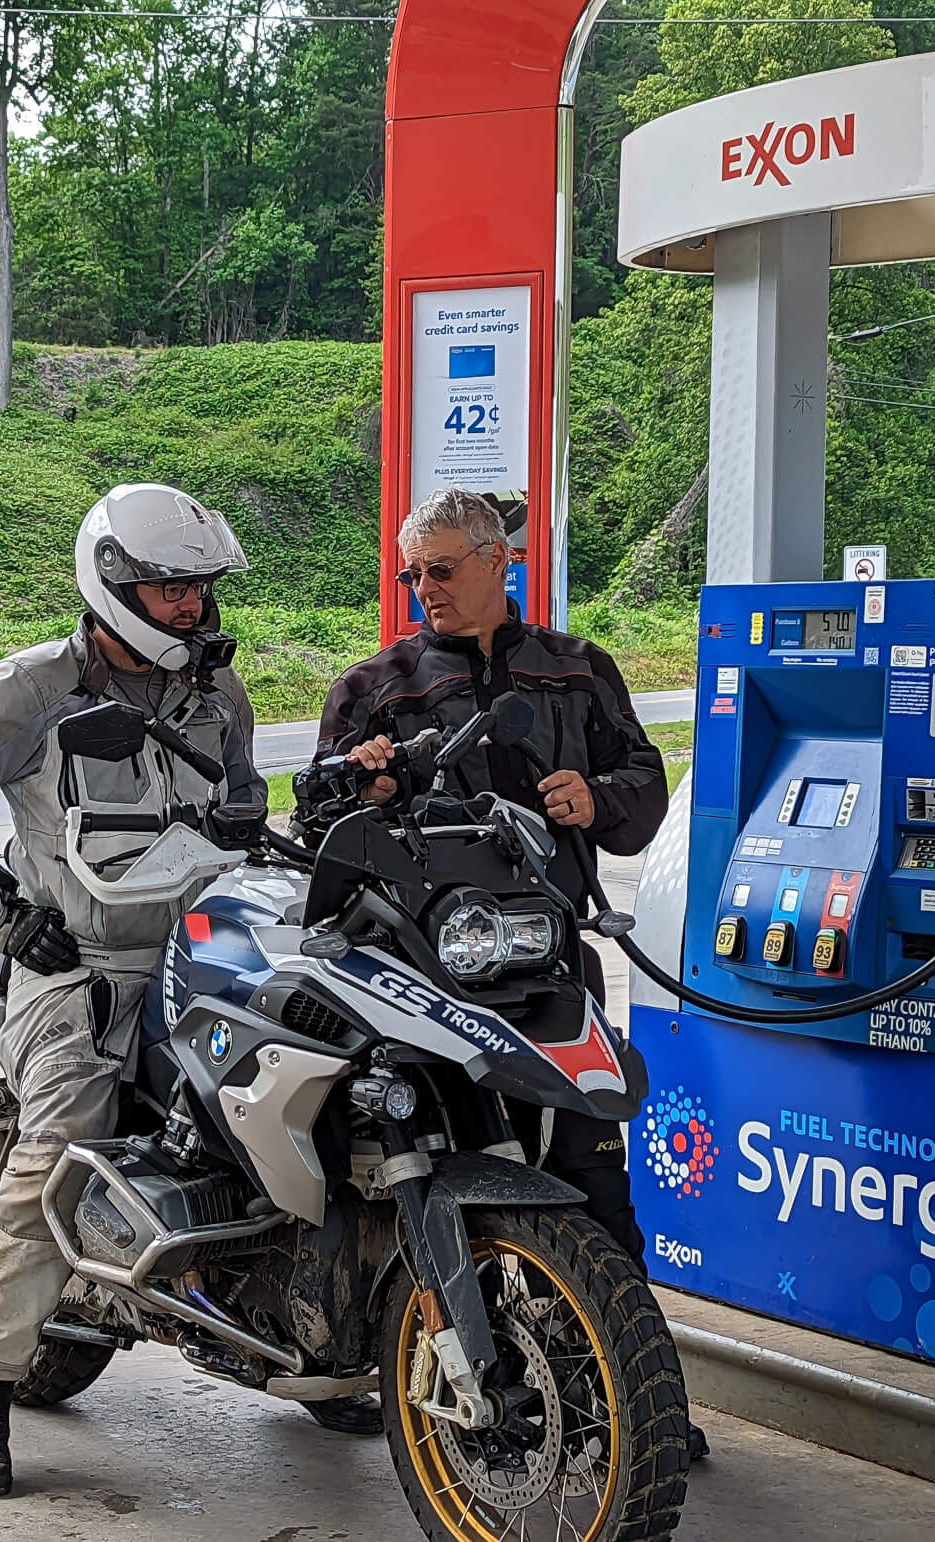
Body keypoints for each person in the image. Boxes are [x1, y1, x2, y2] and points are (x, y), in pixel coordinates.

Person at [0, 482, 338, 1501]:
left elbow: (239, 811)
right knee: (59, 1153)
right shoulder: (33, 686)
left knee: (315, 1104)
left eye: (197, 587)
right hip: (76, 965)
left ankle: (316, 1343)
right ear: (114, 584)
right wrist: (2, 916)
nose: (189, 605)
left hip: (211, 949)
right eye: (168, 588)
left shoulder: (216, 695)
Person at [297, 486, 707, 1462]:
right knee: (399, 1176)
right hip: (415, 979)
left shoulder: (577, 671)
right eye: (411, 574)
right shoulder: (374, 685)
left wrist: (596, 797)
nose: (422, 589)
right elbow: (313, 820)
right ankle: (421, 1370)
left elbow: (646, 792)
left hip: (544, 969)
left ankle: (634, 1401)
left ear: (496, 562)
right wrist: (365, 777)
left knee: (590, 1187)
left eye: (440, 570)